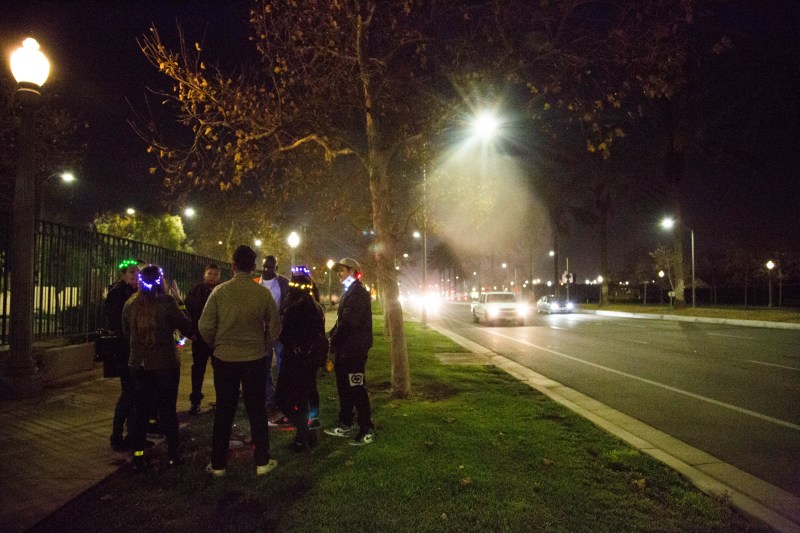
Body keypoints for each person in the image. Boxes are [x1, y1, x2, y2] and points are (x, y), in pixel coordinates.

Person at [199, 245, 281, 477]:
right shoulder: (262, 294)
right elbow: (275, 328)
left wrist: (217, 343)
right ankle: (262, 461)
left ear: (233, 266)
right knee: (256, 409)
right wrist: (264, 345)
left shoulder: (219, 292)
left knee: (225, 409)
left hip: (225, 359)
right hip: (254, 358)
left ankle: (218, 464)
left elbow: (204, 326)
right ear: (253, 266)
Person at [122, 265, 192, 472]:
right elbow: (187, 326)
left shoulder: (129, 305)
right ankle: (173, 455)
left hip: (138, 366)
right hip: (165, 365)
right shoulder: (168, 303)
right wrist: (179, 300)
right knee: (168, 410)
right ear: (161, 281)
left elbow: (127, 334)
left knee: (140, 412)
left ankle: (138, 456)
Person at [324, 257, 376, 445]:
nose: (339, 274)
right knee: (344, 387)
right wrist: (331, 336)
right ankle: (345, 423)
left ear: (353, 272)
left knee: (355, 388)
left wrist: (333, 339)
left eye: (343, 271)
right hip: (346, 349)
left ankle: (366, 428)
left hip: (354, 350)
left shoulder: (357, 293)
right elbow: (341, 322)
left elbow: (348, 323)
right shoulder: (350, 292)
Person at [275, 266, 326, 451]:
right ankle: (308, 431)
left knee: (283, 397)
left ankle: (302, 432)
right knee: (307, 395)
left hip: (295, 360)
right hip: (310, 359)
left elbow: (285, 335)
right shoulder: (316, 306)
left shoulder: (295, 308)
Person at [102, 258, 143, 452]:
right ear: (124, 275)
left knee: (133, 394)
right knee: (128, 393)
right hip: (123, 351)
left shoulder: (134, 292)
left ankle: (131, 433)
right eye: (132, 273)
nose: (136, 276)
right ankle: (117, 435)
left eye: (137, 273)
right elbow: (118, 323)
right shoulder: (118, 294)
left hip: (133, 350)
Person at [256, 255, 290, 425]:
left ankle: (283, 399)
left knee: (283, 365)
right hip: (262, 333)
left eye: (272, 267)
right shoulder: (255, 283)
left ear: (276, 268)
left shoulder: (284, 283)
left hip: (280, 331)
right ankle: (270, 401)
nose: (268, 270)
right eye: (265, 266)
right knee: (264, 367)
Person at [185, 264, 222, 416]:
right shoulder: (196, 291)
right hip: (199, 338)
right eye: (209, 273)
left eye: (215, 274)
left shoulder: (221, 292)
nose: (212, 277)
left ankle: (221, 399)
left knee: (219, 370)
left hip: (216, 339)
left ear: (219, 277)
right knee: (198, 370)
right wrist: (190, 332)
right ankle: (195, 401)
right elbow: (187, 312)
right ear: (204, 275)